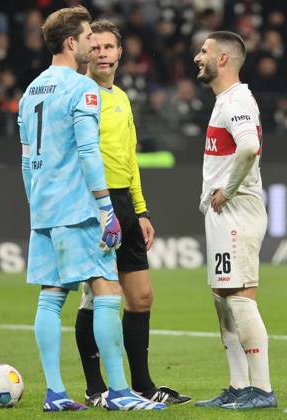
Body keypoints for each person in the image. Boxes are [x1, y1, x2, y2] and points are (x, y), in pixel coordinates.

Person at [18, 6, 165, 412]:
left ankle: (56, 393)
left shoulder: (30, 92)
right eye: (87, 37)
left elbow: (27, 159)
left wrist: (35, 205)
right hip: (79, 206)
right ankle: (119, 393)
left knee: (51, 297)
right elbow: (87, 152)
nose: (92, 44)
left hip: (44, 209)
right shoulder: (80, 89)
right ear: (72, 42)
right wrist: (105, 209)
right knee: (106, 290)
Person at [74, 19, 190, 406]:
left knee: (140, 298)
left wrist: (141, 211)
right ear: (87, 51)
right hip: (93, 202)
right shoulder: (80, 94)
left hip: (124, 203)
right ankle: (95, 389)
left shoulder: (121, 97)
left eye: (110, 47)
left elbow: (129, 159)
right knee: (95, 298)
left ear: (120, 52)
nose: (103, 53)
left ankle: (142, 385)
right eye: (97, 47)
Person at [192, 31, 277, 410]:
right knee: (223, 299)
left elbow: (248, 147)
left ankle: (262, 390)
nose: (198, 57)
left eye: (205, 51)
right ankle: (239, 385)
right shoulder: (223, 100)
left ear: (223, 59)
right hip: (222, 215)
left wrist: (226, 189)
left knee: (239, 297)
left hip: (237, 211)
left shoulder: (238, 100)